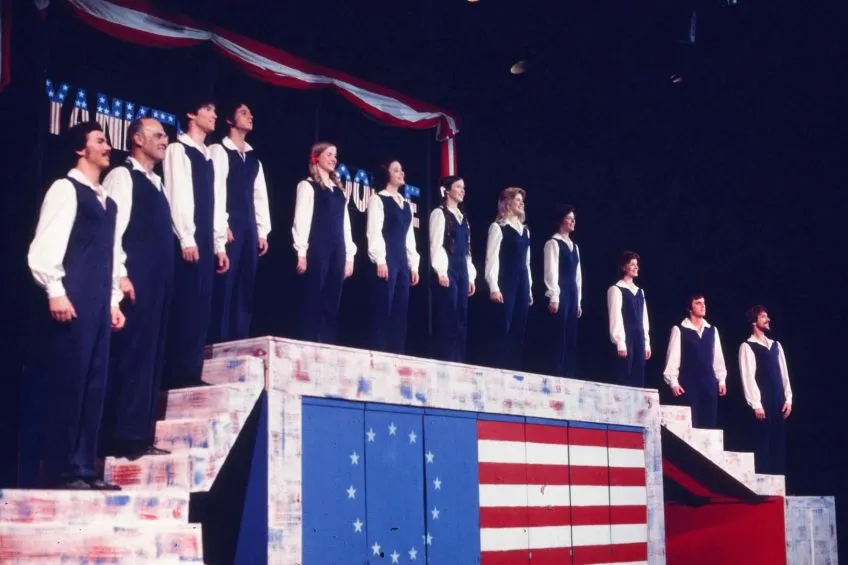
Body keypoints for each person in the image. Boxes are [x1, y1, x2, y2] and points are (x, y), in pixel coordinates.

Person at [27, 121, 125, 489]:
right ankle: (60, 468)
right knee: (70, 381)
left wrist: (114, 300)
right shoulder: (66, 189)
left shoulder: (107, 201)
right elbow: (45, 243)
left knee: (95, 383)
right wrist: (55, 289)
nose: (107, 146)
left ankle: (84, 467)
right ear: (79, 149)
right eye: (99, 140)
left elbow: (113, 254)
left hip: (99, 300)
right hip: (74, 296)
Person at [101, 117, 173, 459]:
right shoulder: (121, 176)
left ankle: (139, 435)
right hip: (134, 281)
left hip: (158, 283)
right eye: (158, 135)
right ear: (137, 139)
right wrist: (120, 276)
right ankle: (121, 437)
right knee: (129, 357)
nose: (164, 140)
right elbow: (112, 231)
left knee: (149, 358)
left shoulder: (157, 183)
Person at [163, 99, 229, 388]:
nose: (215, 115)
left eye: (216, 109)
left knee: (202, 305)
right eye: (209, 110)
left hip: (205, 236)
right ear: (191, 113)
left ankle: (192, 371)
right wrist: (186, 237)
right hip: (187, 237)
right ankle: (178, 374)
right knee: (186, 304)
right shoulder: (179, 149)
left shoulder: (208, 155)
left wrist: (218, 244)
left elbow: (216, 202)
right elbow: (179, 194)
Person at [208, 102, 272, 343]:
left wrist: (262, 231)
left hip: (248, 229)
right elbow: (216, 190)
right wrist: (221, 225)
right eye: (244, 112)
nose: (250, 116)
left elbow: (259, 196)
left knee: (244, 289)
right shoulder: (219, 150)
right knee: (225, 287)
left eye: (250, 112)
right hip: (229, 225)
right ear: (229, 119)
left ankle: (239, 344)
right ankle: (217, 345)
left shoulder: (254, 159)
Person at [292, 142, 356, 344]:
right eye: (329, 154)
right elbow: (301, 219)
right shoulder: (308, 186)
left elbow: (345, 224)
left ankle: (326, 345)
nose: (333, 159)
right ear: (316, 157)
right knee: (313, 297)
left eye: (335, 155)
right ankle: (308, 342)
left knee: (332, 300)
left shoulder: (339, 191)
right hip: (318, 247)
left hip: (338, 249)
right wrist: (301, 252)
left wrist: (349, 256)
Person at [366, 160, 420, 353]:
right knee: (383, 308)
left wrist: (413, 264)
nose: (401, 172)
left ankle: (397, 354)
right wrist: (380, 259)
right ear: (386, 174)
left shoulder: (405, 205)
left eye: (401, 169)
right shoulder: (379, 199)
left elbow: (409, 237)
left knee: (400, 310)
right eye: (396, 170)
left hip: (401, 263)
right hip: (386, 259)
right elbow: (374, 231)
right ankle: (380, 352)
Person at [738, 305, 793, 475]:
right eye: (763, 316)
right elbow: (748, 376)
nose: (768, 319)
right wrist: (756, 404)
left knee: (778, 444)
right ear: (754, 321)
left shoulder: (776, 345)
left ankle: (779, 486)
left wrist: (788, 399)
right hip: (763, 401)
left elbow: (784, 374)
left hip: (778, 400)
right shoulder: (747, 346)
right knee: (762, 444)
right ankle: (763, 486)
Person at [429, 175, 477, 362]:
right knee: (448, 314)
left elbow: (467, 250)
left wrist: (471, 276)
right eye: (458, 187)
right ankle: (445, 358)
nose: (462, 190)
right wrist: (441, 270)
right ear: (447, 190)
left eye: (463, 187)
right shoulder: (440, 214)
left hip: (462, 269)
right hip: (448, 268)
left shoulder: (463, 219)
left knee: (461, 316)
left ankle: (459, 360)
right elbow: (436, 244)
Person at [663, 294, 728, 429]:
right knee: (691, 426)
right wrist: (673, 382)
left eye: (703, 303)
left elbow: (718, 357)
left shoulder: (712, 330)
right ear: (690, 308)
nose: (703, 306)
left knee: (709, 426)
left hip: (709, 384)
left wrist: (721, 379)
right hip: (689, 384)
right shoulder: (680, 329)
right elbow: (673, 357)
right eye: (698, 303)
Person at [484, 187, 532, 370]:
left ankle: (515, 369)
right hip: (506, 280)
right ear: (507, 203)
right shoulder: (498, 227)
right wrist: (494, 286)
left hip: (522, 281)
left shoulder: (525, 231)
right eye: (517, 200)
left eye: (522, 201)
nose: (521, 203)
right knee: (503, 324)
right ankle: (499, 366)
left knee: (519, 327)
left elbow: (527, 261)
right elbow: (492, 258)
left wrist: (529, 288)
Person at [543, 205, 582, 377]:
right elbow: (551, 270)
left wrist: (579, 300)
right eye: (569, 218)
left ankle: (568, 374)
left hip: (572, 292)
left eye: (574, 218)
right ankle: (556, 373)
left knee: (571, 335)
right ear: (561, 221)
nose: (573, 221)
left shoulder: (575, 247)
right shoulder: (553, 243)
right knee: (559, 334)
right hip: (561, 291)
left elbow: (578, 276)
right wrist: (554, 296)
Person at [607, 251, 651, 387]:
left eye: (636, 264)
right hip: (627, 337)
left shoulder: (640, 292)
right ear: (623, 267)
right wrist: (620, 341)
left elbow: (644, 319)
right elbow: (615, 316)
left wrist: (646, 342)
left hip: (639, 337)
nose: (636, 267)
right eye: (632, 264)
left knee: (639, 376)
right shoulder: (616, 289)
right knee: (625, 374)